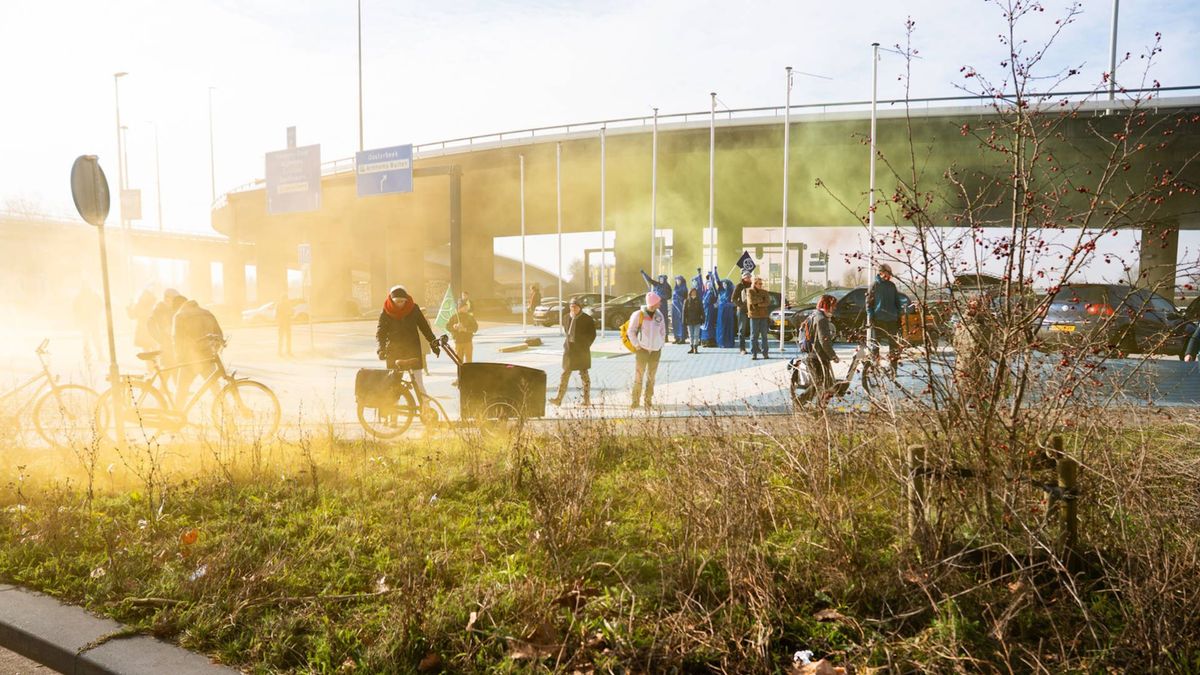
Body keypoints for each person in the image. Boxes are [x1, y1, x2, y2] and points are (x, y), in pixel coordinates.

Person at [376, 285, 440, 401]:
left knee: (419, 384)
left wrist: (433, 342)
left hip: (412, 349)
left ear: (406, 299)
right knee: (393, 386)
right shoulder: (386, 311)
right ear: (391, 299)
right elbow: (381, 332)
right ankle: (392, 414)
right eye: (397, 301)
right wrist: (381, 348)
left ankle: (426, 410)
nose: (400, 304)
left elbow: (424, 327)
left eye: (402, 301)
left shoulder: (414, 308)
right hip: (393, 352)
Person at [172, 297, 223, 406]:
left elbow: (177, 339)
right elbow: (219, 334)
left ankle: (176, 417)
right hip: (208, 357)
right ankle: (227, 414)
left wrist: (179, 357)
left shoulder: (180, 316)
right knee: (216, 389)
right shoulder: (207, 313)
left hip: (189, 359)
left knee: (182, 390)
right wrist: (215, 350)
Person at [551, 297, 597, 406]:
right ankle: (558, 399)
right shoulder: (566, 317)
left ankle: (586, 400)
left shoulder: (587, 319)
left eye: (576, 307)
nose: (573, 308)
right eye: (572, 306)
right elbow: (567, 332)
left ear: (580, 307)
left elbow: (592, 335)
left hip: (581, 351)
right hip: (569, 351)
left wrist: (585, 345)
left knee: (584, 375)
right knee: (565, 374)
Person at [628, 291, 667, 409]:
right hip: (642, 350)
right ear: (653, 303)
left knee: (651, 377)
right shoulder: (638, 315)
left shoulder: (659, 315)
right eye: (658, 302)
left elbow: (663, 331)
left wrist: (661, 343)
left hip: (656, 351)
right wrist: (637, 345)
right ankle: (635, 401)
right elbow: (631, 331)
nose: (660, 304)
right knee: (639, 377)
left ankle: (648, 400)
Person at [802, 294, 840, 405]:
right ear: (828, 305)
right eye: (833, 306)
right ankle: (800, 402)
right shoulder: (822, 319)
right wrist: (833, 356)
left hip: (814, 355)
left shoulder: (814, 314)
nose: (835, 308)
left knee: (825, 384)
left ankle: (819, 408)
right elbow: (824, 341)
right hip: (818, 357)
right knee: (819, 384)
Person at [866, 263, 904, 366]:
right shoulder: (874, 286)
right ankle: (875, 366)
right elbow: (869, 304)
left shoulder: (892, 285)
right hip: (879, 319)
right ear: (882, 273)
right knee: (875, 345)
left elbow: (897, 302)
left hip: (892, 319)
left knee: (893, 345)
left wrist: (898, 315)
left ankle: (893, 368)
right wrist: (871, 317)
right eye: (888, 273)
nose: (890, 276)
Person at [72, 285, 104, 362]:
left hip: (86, 320)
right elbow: (100, 306)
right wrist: (97, 314)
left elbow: (75, 308)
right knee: (95, 338)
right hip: (91, 320)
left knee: (87, 339)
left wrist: (79, 317)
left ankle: (89, 356)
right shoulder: (94, 296)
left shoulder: (80, 297)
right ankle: (99, 355)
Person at [640, 271, 673, 336]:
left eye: (662, 279)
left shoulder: (667, 286)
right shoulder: (656, 284)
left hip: (663, 305)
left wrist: (661, 297)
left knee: (663, 319)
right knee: (655, 319)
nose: (660, 280)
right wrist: (644, 274)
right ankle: (656, 334)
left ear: (664, 279)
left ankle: (665, 336)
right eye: (660, 279)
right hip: (655, 305)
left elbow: (669, 296)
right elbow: (649, 280)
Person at [446, 300, 478, 364]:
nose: (466, 308)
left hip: (468, 340)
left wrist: (466, 329)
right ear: (459, 308)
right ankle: (460, 372)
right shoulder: (454, 317)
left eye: (467, 307)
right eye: (464, 307)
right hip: (458, 341)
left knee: (469, 359)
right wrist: (454, 327)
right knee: (459, 360)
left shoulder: (470, 317)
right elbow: (447, 327)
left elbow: (475, 328)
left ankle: (468, 372)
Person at [747, 277, 772, 360]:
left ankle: (765, 353)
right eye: (759, 283)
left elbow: (768, 302)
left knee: (764, 336)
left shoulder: (765, 292)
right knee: (754, 336)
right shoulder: (750, 291)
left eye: (761, 283)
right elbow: (751, 301)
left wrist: (759, 304)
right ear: (755, 284)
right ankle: (754, 354)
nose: (761, 285)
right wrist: (761, 299)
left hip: (763, 316)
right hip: (754, 316)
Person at [733, 271, 753, 354]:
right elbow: (733, 298)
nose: (748, 278)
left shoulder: (752, 285)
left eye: (749, 277)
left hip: (752, 310)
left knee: (753, 329)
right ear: (743, 278)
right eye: (746, 277)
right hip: (742, 311)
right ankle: (742, 348)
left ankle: (754, 347)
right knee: (742, 329)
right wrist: (741, 306)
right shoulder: (739, 286)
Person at [684, 287, 704, 353]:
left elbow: (702, 310)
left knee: (696, 334)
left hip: (697, 320)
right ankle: (692, 347)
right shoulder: (687, 300)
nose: (693, 293)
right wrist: (684, 320)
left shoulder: (698, 300)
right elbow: (684, 311)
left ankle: (696, 348)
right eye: (692, 292)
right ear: (690, 292)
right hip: (689, 320)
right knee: (691, 335)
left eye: (695, 292)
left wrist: (703, 318)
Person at [716, 279, 736, 348]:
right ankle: (722, 342)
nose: (724, 285)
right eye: (723, 284)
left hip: (728, 311)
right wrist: (715, 272)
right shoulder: (721, 291)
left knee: (728, 325)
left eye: (725, 284)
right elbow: (717, 281)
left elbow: (733, 301)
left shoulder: (730, 292)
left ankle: (729, 342)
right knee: (721, 326)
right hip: (721, 311)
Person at [671, 275, 688, 344]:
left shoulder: (684, 288)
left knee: (681, 322)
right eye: (676, 280)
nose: (677, 281)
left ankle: (682, 337)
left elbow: (685, 298)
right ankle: (677, 337)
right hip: (674, 307)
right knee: (675, 322)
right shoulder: (675, 288)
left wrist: (678, 296)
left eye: (679, 280)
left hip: (680, 307)